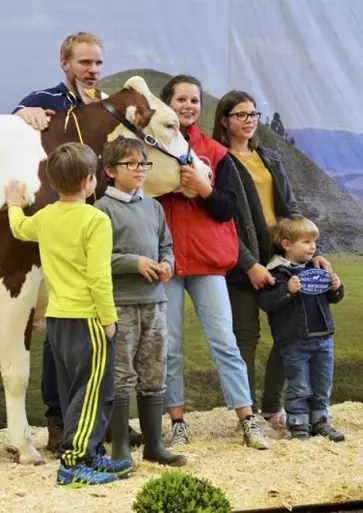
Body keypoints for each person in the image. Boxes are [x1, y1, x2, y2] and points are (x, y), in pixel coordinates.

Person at [12, 30, 143, 451]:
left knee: (94, 342)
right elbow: (15, 134)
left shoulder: (105, 106)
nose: (93, 70)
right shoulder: (42, 99)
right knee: (58, 333)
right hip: (55, 225)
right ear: (64, 63)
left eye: (98, 63)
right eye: (85, 62)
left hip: (96, 220)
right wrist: (21, 112)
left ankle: (103, 419)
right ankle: (58, 421)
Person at [157, 75, 269, 449]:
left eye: (195, 100)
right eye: (181, 100)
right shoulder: (150, 149)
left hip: (206, 260)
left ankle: (247, 417)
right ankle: (177, 421)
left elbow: (226, 208)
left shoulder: (215, 153)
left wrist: (202, 188)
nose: (188, 106)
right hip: (168, 260)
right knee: (169, 345)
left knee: (224, 340)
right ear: (166, 104)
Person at [4, 142, 125, 487]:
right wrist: (109, 318)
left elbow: (19, 229)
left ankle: (91, 453)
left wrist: (14, 203)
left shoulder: (44, 217)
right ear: (90, 181)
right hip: (88, 319)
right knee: (93, 392)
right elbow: (99, 277)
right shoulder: (96, 220)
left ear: (53, 183)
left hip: (57, 319)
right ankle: (73, 463)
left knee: (74, 390)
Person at [212, 89, 333, 428]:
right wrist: (248, 262)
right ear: (224, 120)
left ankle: (271, 406)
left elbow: (291, 211)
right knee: (246, 336)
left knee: (290, 333)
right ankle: (246, 413)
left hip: (281, 254)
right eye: (241, 115)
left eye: (253, 114)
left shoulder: (270, 158)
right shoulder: (219, 161)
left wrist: (314, 253)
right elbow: (220, 220)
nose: (249, 121)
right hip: (240, 256)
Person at [94, 136, 187, 468]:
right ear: (109, 170)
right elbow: (97, 260)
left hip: (155, 304)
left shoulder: (154, 207)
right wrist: (134, 263)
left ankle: (154, 446)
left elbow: (167, 245)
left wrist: (167, 265)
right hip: (121, 305)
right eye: (131, 164)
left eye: (143, 163)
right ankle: (119, 447)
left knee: (154, 373)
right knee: (121, 375)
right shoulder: (101, 210)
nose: (139, 170)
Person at [257, 216, 344, 441]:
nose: (313, 247)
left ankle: (320, 421)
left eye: (314, 241)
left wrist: (335, 287)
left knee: (322, 382)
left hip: (323, 338)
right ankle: (298, 423)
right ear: (287, 245)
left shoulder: (316, 269)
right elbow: (266, 302)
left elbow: (333, 299)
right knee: (299, 384)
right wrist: (286, 290)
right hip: (294, 341)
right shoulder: (277, 272)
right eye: (306, 242)